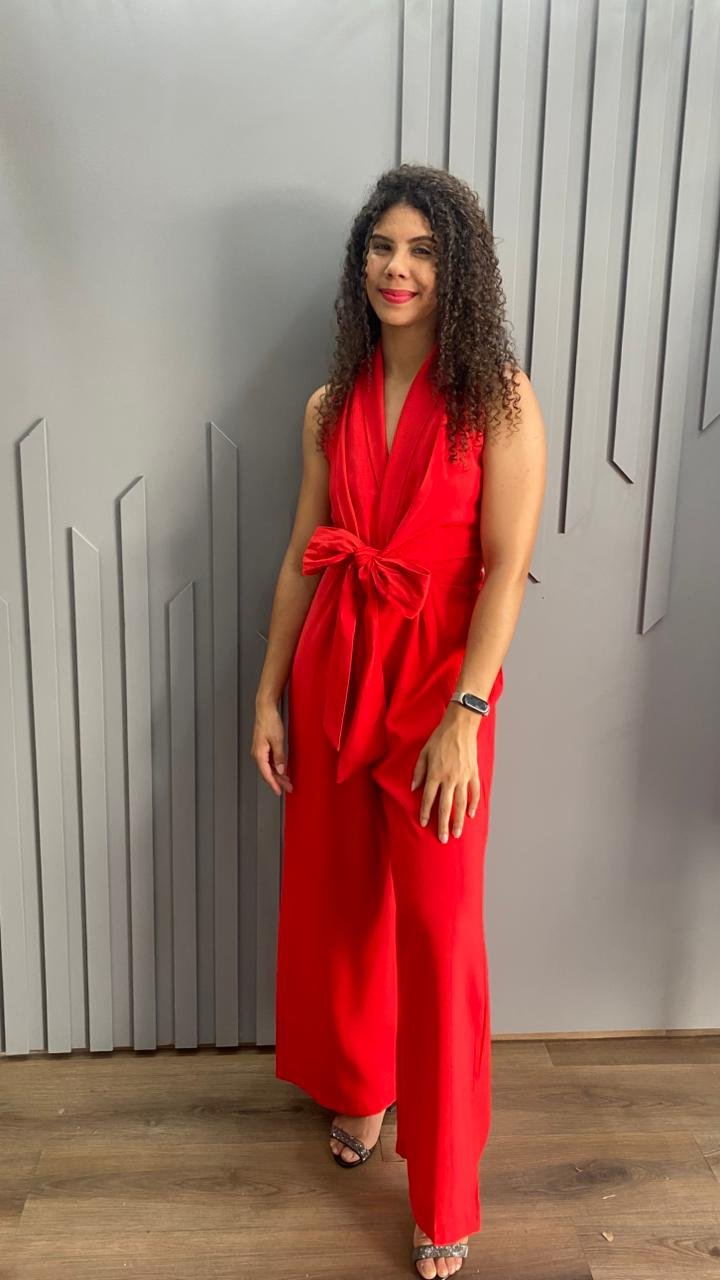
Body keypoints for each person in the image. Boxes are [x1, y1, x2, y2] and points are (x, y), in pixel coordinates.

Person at [251, 163, 547, 1278]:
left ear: (456, 268)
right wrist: (268, 691)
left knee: (437, 930)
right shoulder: (329, 404)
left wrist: (468, 712)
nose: (398, 267)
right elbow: (303, 552)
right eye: (382, 245)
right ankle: (361, 1086)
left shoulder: (500, 399)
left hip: (436, 689)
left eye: (423, 249)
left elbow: (508, 568)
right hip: (335, 671)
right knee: (341, 906)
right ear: (360, 262)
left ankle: (446, 1188)